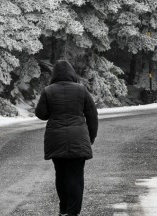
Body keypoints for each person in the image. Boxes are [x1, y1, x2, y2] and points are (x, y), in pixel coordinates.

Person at [35, 60, 99, 216]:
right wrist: (90, 137)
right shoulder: (81, 90)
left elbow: (41, 114)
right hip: (78, 139)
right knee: (76, 177)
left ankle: (63, 208)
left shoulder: (48, 91)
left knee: (61, 174)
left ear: (54, 75)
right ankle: (73, 213)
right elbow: (92, 116)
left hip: (56, 140)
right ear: (72, 74)